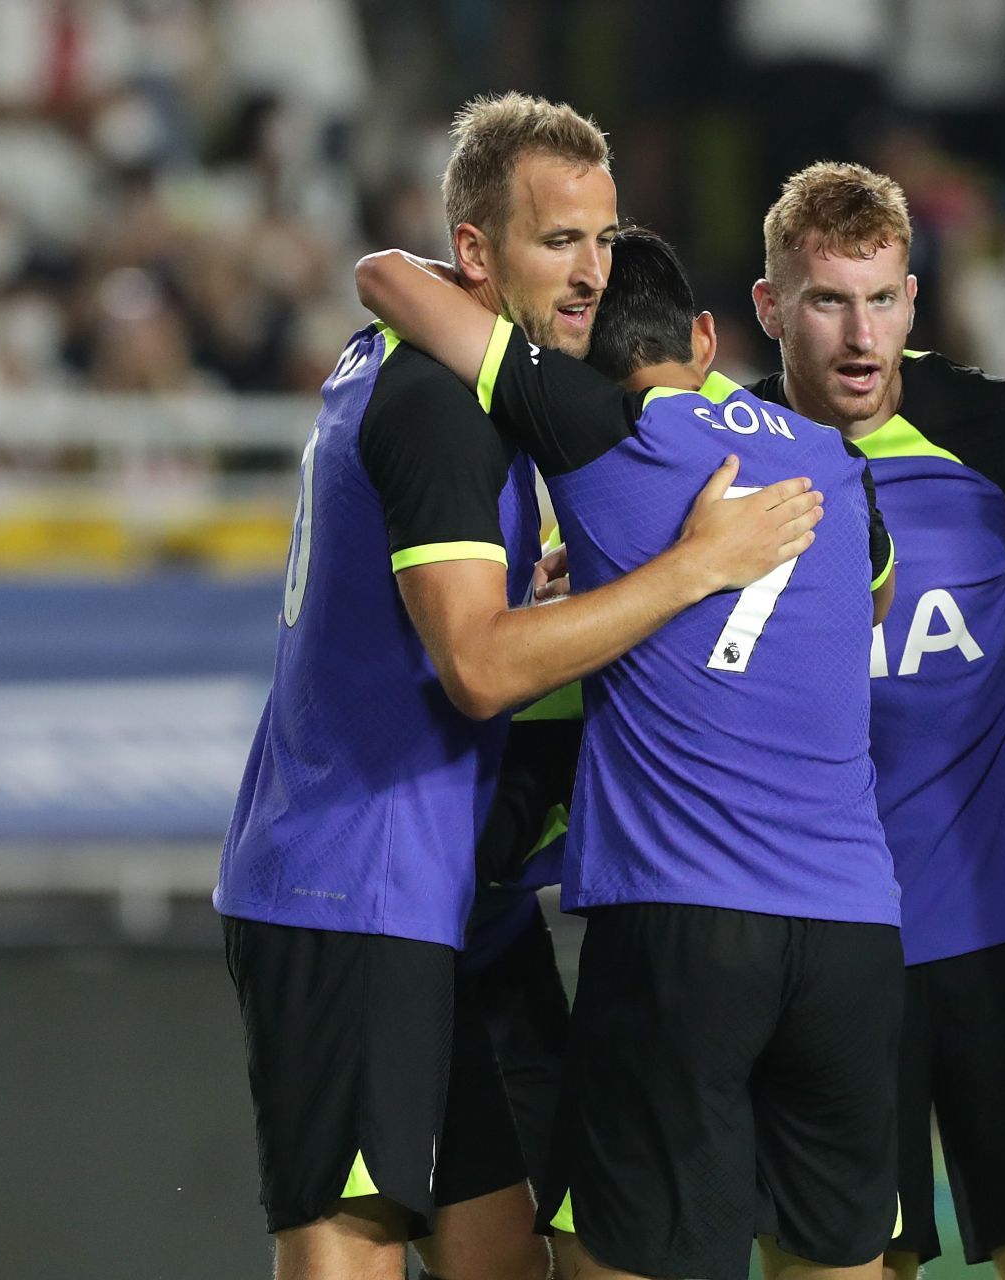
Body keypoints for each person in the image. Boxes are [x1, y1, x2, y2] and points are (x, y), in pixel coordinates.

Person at [215, 95, 821, 1280]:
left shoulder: (428, 364)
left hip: (445, 896)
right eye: (561, 242)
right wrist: (697, 568)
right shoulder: (443, 409)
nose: (594, 273)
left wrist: (542, 598)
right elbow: (480, 667)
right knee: (351, 1244)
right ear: (479, 252)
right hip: (354, 883)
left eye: (604, 237)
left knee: (497, 1249)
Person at [358, 226, 900, 1280]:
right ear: (705, 337)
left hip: (686, 922)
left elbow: (388, 280)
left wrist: (643, 565)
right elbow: (872, 591)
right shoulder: (830, 457)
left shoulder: (600, 429)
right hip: (854, 932)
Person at [747, 161, 1005, 1280]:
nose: (859, 333)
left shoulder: (995, 428)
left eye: (881, 298)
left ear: (915, 300)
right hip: (823, 936)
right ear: (773, 308)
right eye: (827, 300)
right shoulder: (718, 449)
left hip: (997, 919)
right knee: (838, 1264)